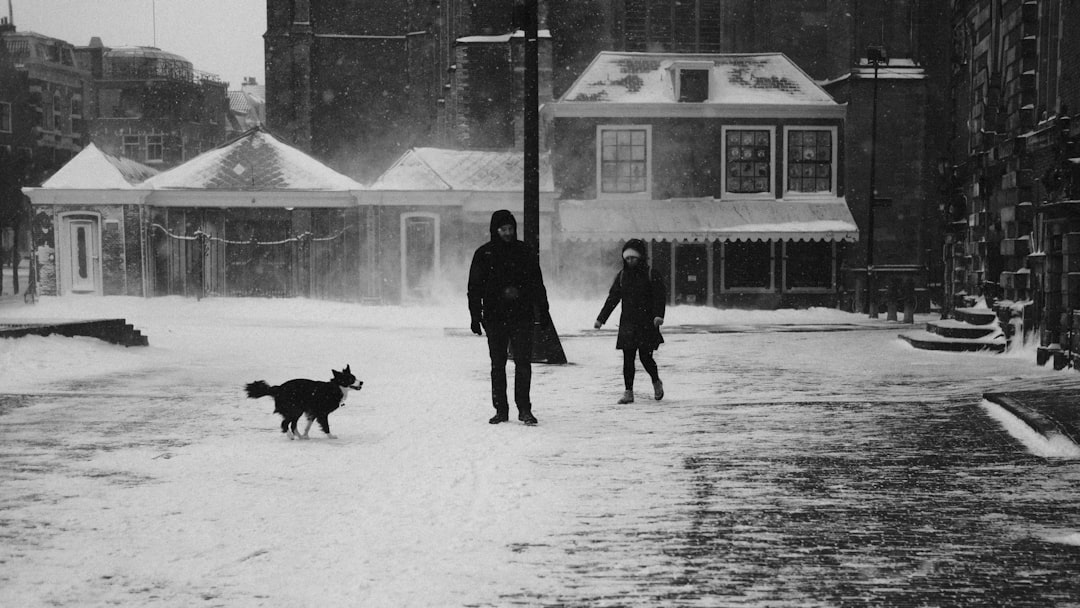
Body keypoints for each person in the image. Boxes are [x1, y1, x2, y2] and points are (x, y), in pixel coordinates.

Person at [468, 210, 549, 425]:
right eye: (503, 229)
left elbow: (537, 285)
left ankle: (524, 409)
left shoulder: (525, 252)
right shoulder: (484, 254)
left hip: (521, 316)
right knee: (498, 365)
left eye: (510, 229)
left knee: (523, 363)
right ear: (495, 230)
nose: (507, 233)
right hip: (494, 318)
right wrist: (475, 316)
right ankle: (501, 410)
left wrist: (544, 312)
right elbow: (474, 288)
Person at [594, 239, 666, 404]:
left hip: (647, 323)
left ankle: (656, 381)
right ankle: (628, 392)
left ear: (640, 257)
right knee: (628, 358)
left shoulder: (651, 274)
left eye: (633, 258)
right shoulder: (622, 276)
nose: (630, 261)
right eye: (627, 258)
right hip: (628, 323)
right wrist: (601, 318)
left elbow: (659, 297)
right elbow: (613, 299)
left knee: (645, 357)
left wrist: (658, 315)